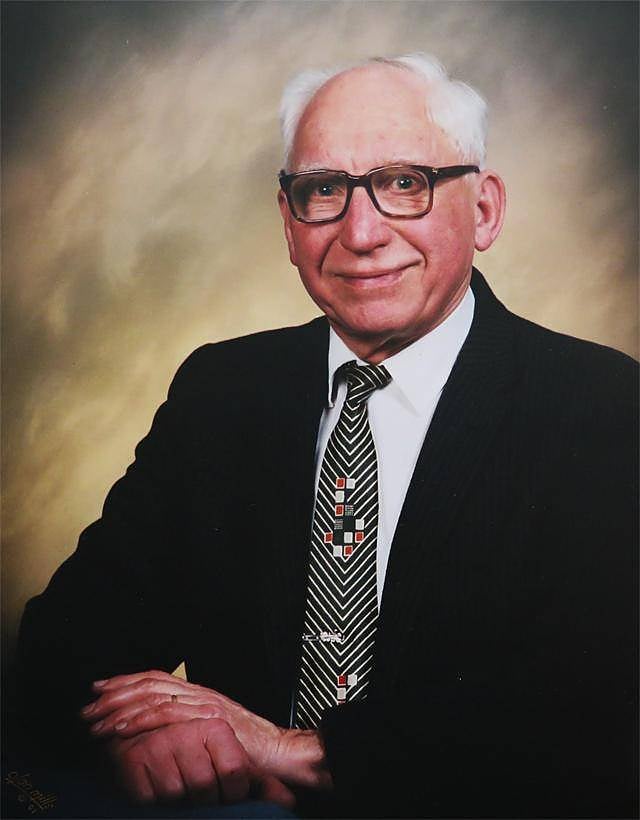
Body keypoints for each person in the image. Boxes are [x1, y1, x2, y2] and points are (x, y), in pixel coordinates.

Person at [15, 54, 637, 819]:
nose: (362, 233)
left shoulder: (602, 405)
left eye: (405, 183)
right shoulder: (224, 392)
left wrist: (293, 750)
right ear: (288, 221)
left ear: (484, 211)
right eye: (322, 191)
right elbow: (60, 647)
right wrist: (144, 735)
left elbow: (595, 721)